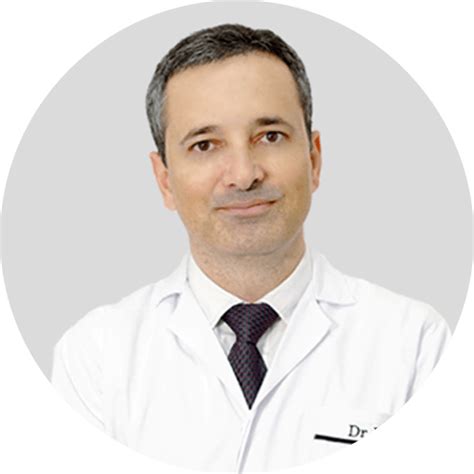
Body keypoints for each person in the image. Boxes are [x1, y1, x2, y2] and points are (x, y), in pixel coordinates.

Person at [51, 23, 451, 471]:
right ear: (164, 180)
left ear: (314, 158)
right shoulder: (96, 357)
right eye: (205, 144)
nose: (243, 175)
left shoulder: (415, 345)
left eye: (270, 136)